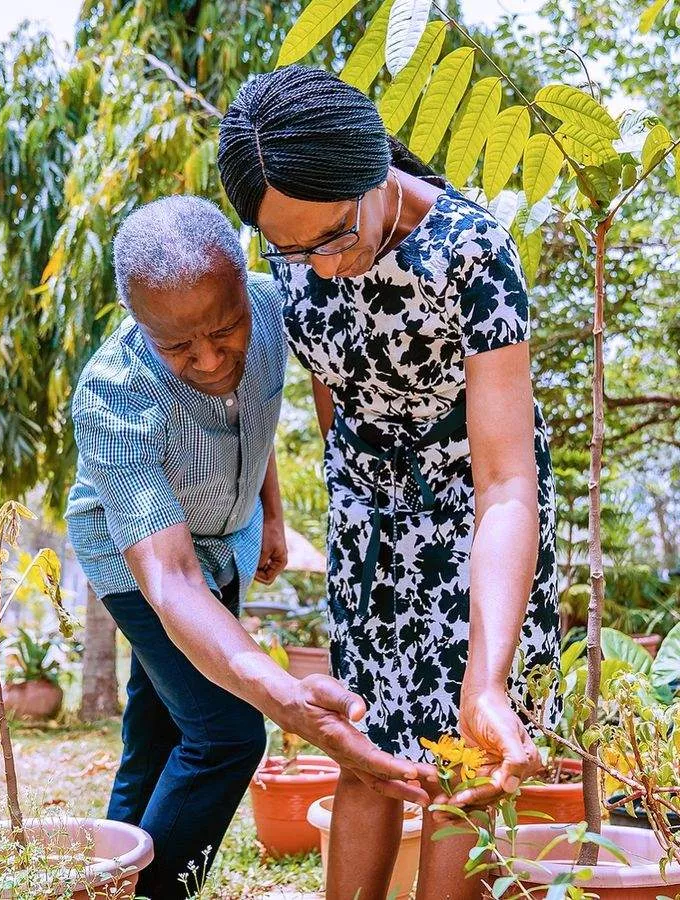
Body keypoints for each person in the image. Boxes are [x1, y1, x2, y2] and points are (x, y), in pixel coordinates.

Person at [218, 66, 561, 900]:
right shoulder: (300, 241)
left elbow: (507, 479)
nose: (320, 268)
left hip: (471, 525)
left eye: (333, 237)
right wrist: (348, 507)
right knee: (364, 749)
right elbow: (333, 391)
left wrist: (487, 676)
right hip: (372, 526)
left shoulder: (470, 252)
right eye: (290, 250)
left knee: (457, 764)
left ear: (373, 172)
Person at [65, 196, 433, 899]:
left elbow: (250, 410)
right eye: (179, 346)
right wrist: (287, 698)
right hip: (135, 557)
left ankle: (103, 887)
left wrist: (271, 513)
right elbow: (171, 583)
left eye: (224, 329)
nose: (209, 359)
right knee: (226, 734)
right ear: (140, 323)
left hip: (225, 537)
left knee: (158, 730)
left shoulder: (273, 306)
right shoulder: (113, 395)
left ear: (244, 284)